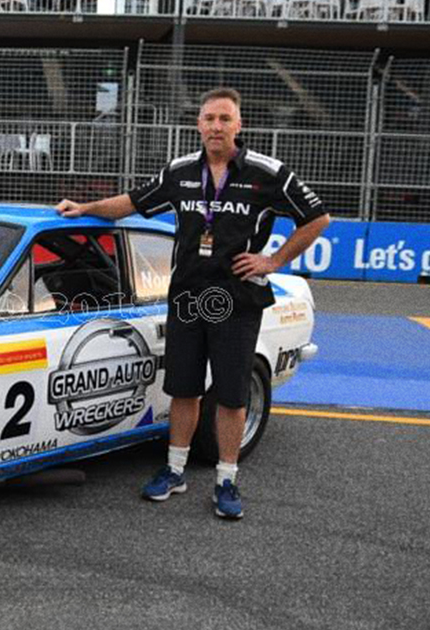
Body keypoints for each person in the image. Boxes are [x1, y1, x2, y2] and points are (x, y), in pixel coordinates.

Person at [57, 88, 329, 520]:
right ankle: (175, 469)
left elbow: (317, 218)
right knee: (182, 387)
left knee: (231, 393)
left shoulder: (268, 173)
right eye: (209, 118)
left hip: (237, 299)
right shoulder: (180, 171)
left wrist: (274, 259)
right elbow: (132, 202)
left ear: (238, 125)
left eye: (225, 118)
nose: (216, 126)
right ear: (198, 124)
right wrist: (84, 207)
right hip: (186, 297)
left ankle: (226, 478)